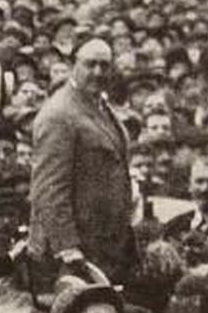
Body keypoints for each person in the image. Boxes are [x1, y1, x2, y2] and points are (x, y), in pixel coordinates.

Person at [30, 38, 136, 282]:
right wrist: (67, 247)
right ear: (73, 65)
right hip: (73, 252)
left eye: (104, 65)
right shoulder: (59, 113)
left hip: (104, 244)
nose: (98, 72)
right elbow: (49, 187)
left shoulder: (99, 105)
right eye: (90, 64)